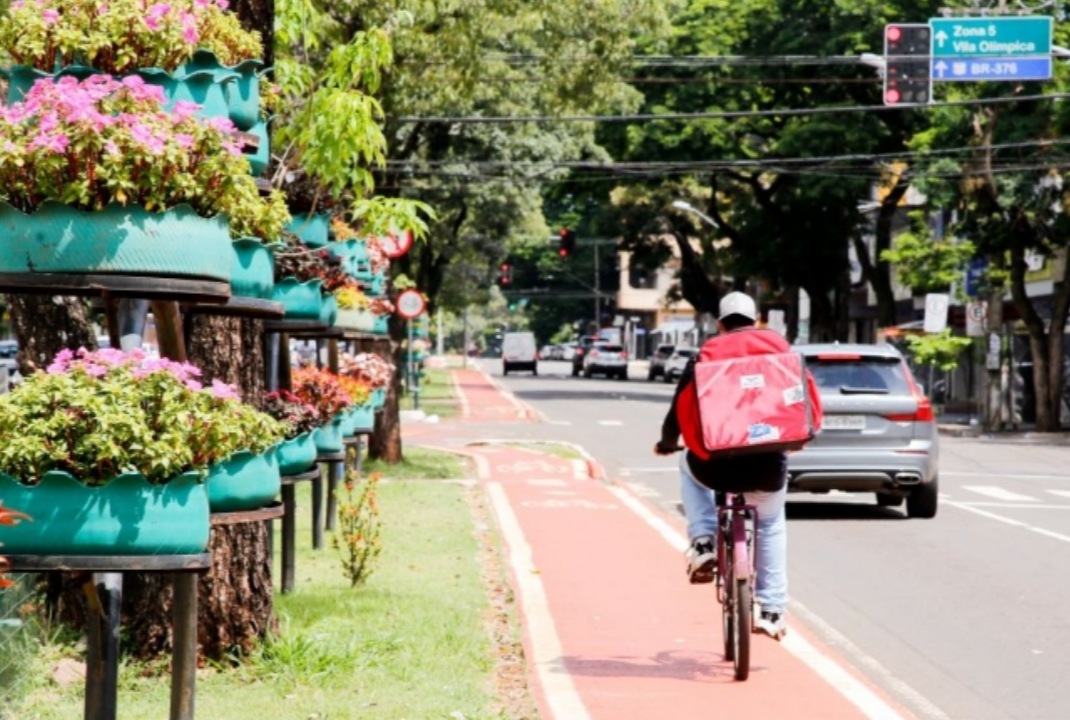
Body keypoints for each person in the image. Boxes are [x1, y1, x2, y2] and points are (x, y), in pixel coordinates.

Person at [654, 291, 822, 640]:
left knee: (686, 465)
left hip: (714, 466)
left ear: (720, 323)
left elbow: (678, 414)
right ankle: (772, 609)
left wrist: (668, 444)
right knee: (771, 524)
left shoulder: (704, 357)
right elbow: (809, 406)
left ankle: (702, 542)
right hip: (767, 468)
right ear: (756, 319)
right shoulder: (783, 353)